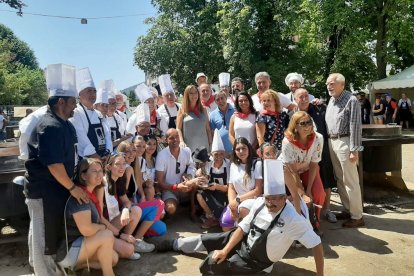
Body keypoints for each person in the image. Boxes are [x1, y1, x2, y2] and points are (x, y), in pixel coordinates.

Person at [156, 159, 324, 276]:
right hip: (244, 241)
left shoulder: (293, 219)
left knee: (210, 265)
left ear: (283, 198)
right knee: (209, 239)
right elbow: (243, 228)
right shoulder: (259, 203)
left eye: (275, 199)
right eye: (268, 198)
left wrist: (320, 274)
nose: (270, 203)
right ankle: (175, 244)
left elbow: (316, 244)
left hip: (256, 261)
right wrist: (225, 250)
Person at [24, 64, 88, 275]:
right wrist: (72, 187)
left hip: (56, 190)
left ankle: (41, 267)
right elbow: (54, 165)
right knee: (44, 236)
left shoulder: (66, 125)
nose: (75, 107)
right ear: (61, 102)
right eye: (72, 102)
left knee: (44, 232)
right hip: (43, 191)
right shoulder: (49, 126)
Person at [56, 158, 118, 275]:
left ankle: (77, 267)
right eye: (94, 171)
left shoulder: (90, 194)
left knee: (113, 258)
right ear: (83, 176)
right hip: (68, 251)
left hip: (81, 246)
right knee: (107, 235)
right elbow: (87, 230)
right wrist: (103, 228)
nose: (99, 174)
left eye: (101, 171)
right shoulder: (81, 197)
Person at [97, 153, 156, 256]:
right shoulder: (102, 185)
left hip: (113, 223)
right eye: (118, 164)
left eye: (124, 164)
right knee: (128, 250)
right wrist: (120, 235)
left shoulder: (118, 180)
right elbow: (99, 217)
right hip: (104, 227)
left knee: (136, 210)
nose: (122, 167)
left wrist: (125, 210)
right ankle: (122, 243)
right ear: (109, 167)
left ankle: (124, 243)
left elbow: (127, 201)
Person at [325, 73, 364, 228]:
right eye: (328, 83)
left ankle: (357, 216)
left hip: (345, 141)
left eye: (332, 83)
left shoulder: (351, 100)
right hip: (332, 140)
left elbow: (356, 126)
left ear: (342, 84)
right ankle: (348, 210)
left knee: (350, 180)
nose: (329, 86)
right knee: (340, 178)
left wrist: (355, 150)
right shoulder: (331, 100)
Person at [294, 88, 337, 223]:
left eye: (306, 96)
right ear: (295, 99)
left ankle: (327, 209)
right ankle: (307, 213)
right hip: (302, 156)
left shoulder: (319, 109)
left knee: (326, 179)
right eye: (301, 97)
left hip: (321, 151)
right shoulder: (291, 114)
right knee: (304, 184)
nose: (304, 99)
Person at [281, 111, 326, 235]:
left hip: (308, 169)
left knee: (318, 194)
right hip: (289, 172)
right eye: (303, 124)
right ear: (295, 126)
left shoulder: (318, 138)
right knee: (301, 198)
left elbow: (313, 164)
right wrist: (302, 192)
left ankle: (314, 223)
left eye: (309, 122)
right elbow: (292, 171)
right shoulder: (287, 142)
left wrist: (309, 189)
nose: (307, 126)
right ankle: (301, 225)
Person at [117, 141, 167, 238]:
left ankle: (135, 230)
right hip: (125, 210)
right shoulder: (127, 169)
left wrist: (142, 196)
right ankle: (137, 240)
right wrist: (132, 204)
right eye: (127, 151)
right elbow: (122, 195)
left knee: (161, 228)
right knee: (159, 204)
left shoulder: (133, 166)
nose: (132, 154)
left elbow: (137, 185)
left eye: (133, 151)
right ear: (121, 153)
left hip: (132, 206)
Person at [155, 128, 207, 217]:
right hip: (169, 189)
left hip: (184, 185)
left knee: (197, 181)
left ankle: (192, 208)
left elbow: (191, 165)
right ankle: (179, 207)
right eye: (171, 138)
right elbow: (160, 182)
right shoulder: (161, 155)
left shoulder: (186, 151)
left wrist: (189, 175)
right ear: (166, 140)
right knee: (171, 209)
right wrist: (176, 187)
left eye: (177, 137)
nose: (175, 140)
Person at [220, 138, 263, 232]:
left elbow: (258, 190)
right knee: (225, 225)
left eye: (244, 148)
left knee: (243, 210)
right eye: (238, 149)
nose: (241, 151)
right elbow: (231, 187)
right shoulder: (233, 165)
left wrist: (238, 200)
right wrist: (232, 205)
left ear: (249, 148)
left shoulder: (257, 163)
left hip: (253, 199)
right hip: (237, 200)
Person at [70, 67, 112, 159]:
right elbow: (82, 139)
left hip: (103, 158)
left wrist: (108, 152)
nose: (93, 94)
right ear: (79, 94)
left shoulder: (99, 114)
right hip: (87, 161)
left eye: (94, 91)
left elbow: (107, 135)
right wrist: (97, 158)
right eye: (89, 91)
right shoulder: (76, 113)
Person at [195, 130, 230, 229]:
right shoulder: (208, 164)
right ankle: (211, 217)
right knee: (199, 195)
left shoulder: (229, 165)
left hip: (225, 193)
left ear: (224, 154)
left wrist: (216, 186)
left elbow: (230, 187)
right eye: (216, 154)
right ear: (211, 154)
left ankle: (218, 217)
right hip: (211, 191)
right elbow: (202, 175)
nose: (218, 157)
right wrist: (200, 173)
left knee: (222, 210)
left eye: (221, 154)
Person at [177, 84, 212, 152]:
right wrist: (181, 141)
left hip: (204, 146)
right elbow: (178, 128)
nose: (194, 95)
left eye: (196, 92)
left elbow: (208, 129)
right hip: (189, 146)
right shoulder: (182, 110)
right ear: (187, 95)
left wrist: (210, 144)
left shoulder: (203, 109)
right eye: (191, 93)